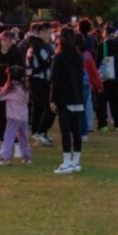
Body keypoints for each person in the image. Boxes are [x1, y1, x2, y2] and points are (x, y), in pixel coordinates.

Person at [49, 27, 85, 175]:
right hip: (77, 97)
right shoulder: (78, 56)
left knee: (65, 131)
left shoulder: (59, 57)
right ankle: (76, 161)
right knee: (76, 130)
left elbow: (55, 80)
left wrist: (52, 99)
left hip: (64, 98)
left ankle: (66, 162)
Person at [0, 66, 32, 166]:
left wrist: (3, 88)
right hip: (24, 117)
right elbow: (28, 100)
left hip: (13, 117)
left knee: (8, 137)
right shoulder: (25, 89)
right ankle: (27, 157)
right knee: (23, 138)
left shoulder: (10, 88)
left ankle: (5, 158)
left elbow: (0, 97)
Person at [26, 25, 55, 145]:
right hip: (40, 81)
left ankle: (37, 133)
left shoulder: (34, 45)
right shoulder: (39, 46)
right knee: (50, 107)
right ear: (42, 33)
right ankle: (41, 132)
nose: (50, 36)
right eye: (49, 33)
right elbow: (46, 61)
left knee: (38, 108)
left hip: (35, 80)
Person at [96, 27, 118, 131]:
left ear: (106, 33)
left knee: (102, 102)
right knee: (116, 101)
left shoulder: (103, 45)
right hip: (116, 77)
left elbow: (98, 62)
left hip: (104, 77)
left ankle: (103, 124)